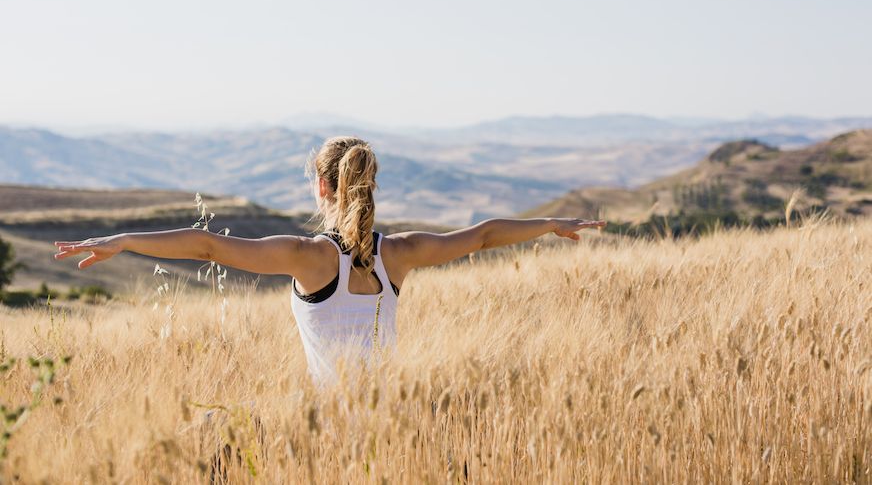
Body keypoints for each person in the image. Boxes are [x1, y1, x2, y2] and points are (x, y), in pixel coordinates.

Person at [53, 136, 606, 384]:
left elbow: (208, 246)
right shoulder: (401, 254)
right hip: (393, 427)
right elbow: (484, 235)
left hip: (330, 439)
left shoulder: (307, 258)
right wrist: (553, 225)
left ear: (322, 186)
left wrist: (123, 239)